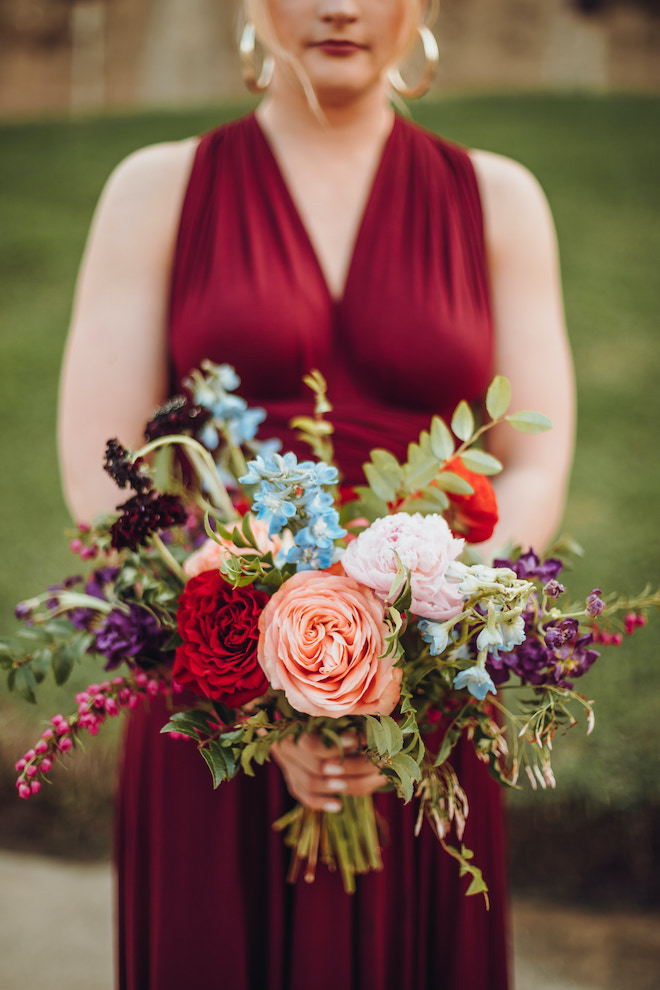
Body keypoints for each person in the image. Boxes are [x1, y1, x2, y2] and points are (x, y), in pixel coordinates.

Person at [58, 2, 575, 987]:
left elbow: (535, 458)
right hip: (213, 691)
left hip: (426, 714)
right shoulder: (155, 190)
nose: (340, 5)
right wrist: (265, 684)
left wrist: (424, 643)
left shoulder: (500, 199)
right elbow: (101, 473)